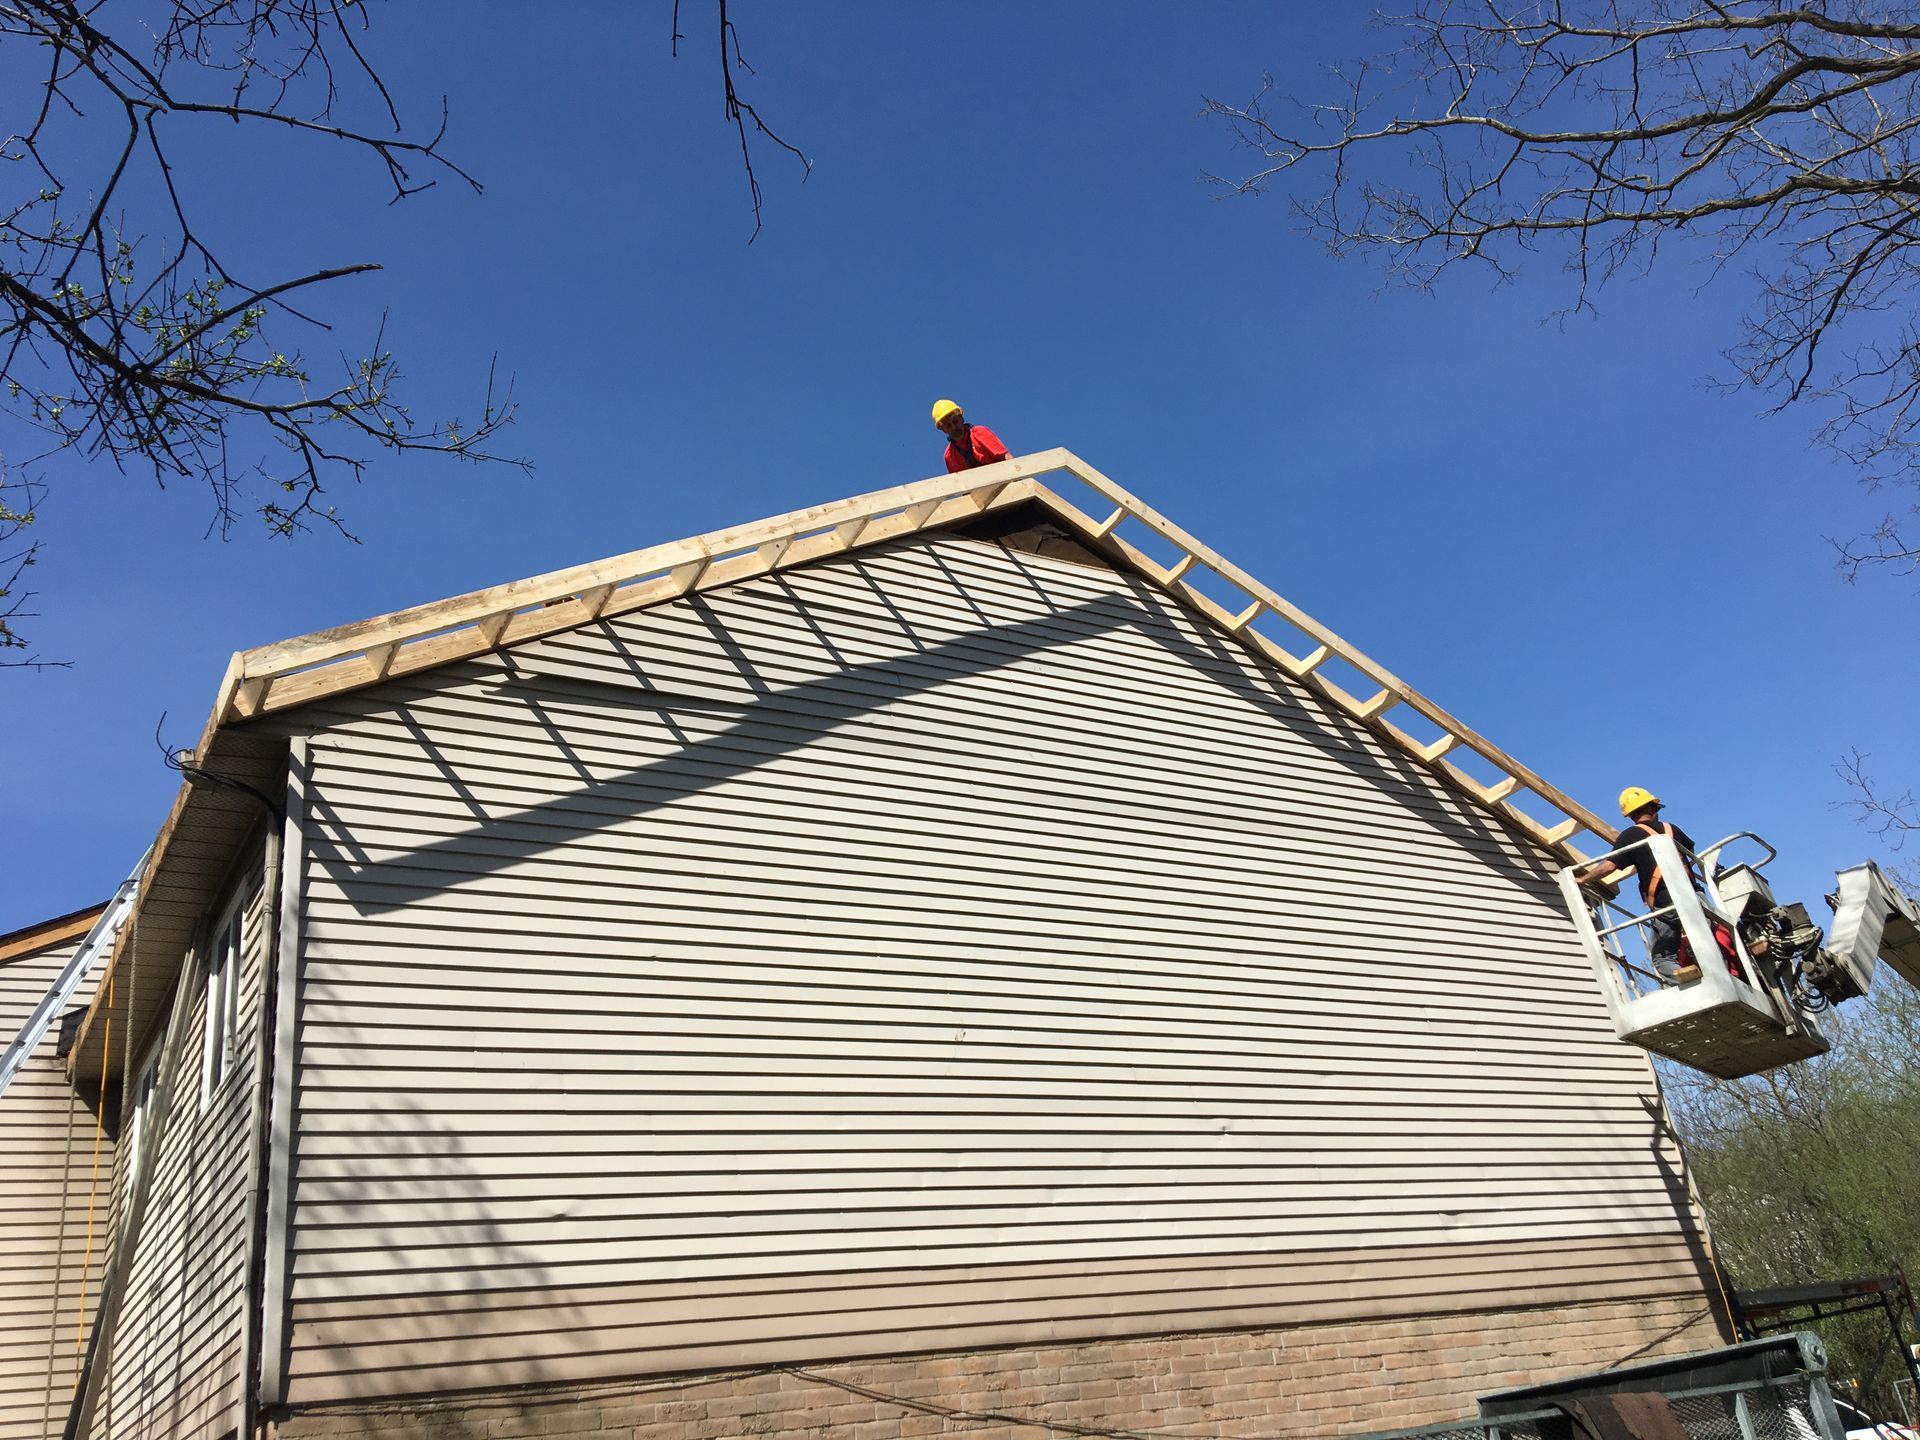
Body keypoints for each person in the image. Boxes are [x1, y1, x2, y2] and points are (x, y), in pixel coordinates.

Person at [1577, 787, 1700, 984]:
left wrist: (1583, 880)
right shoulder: (1672, 829)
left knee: (1663, 957)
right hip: (1696, 897)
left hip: (1667, 903)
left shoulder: (1630, 836)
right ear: (1654, 809)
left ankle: (1690, 982)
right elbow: (1691, 853)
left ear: (1631, 815)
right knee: (1705, 942)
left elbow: (1609, 866)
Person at [931, 398, 1009, 473]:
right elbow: (957, 483)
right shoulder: (949, 455)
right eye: (948, 425)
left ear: (961, 418)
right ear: (943, 430)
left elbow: (1007, 459)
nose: (953, 427)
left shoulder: (979, 433)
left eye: (955, 421)